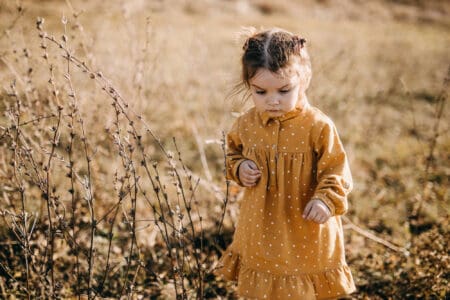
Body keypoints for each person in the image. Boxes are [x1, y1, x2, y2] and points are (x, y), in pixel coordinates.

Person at [215, 27, 356, 299]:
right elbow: (232, 153)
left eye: (283, 90)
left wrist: (326, 199)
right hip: (261, 226)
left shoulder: (318, 126)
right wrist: (240, 167)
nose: (273, 101)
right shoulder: (246, 124)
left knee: (301, 286)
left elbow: (336, 168)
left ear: (304, 80)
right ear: (249, 86)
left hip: (306, 225)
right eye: (260, 92)